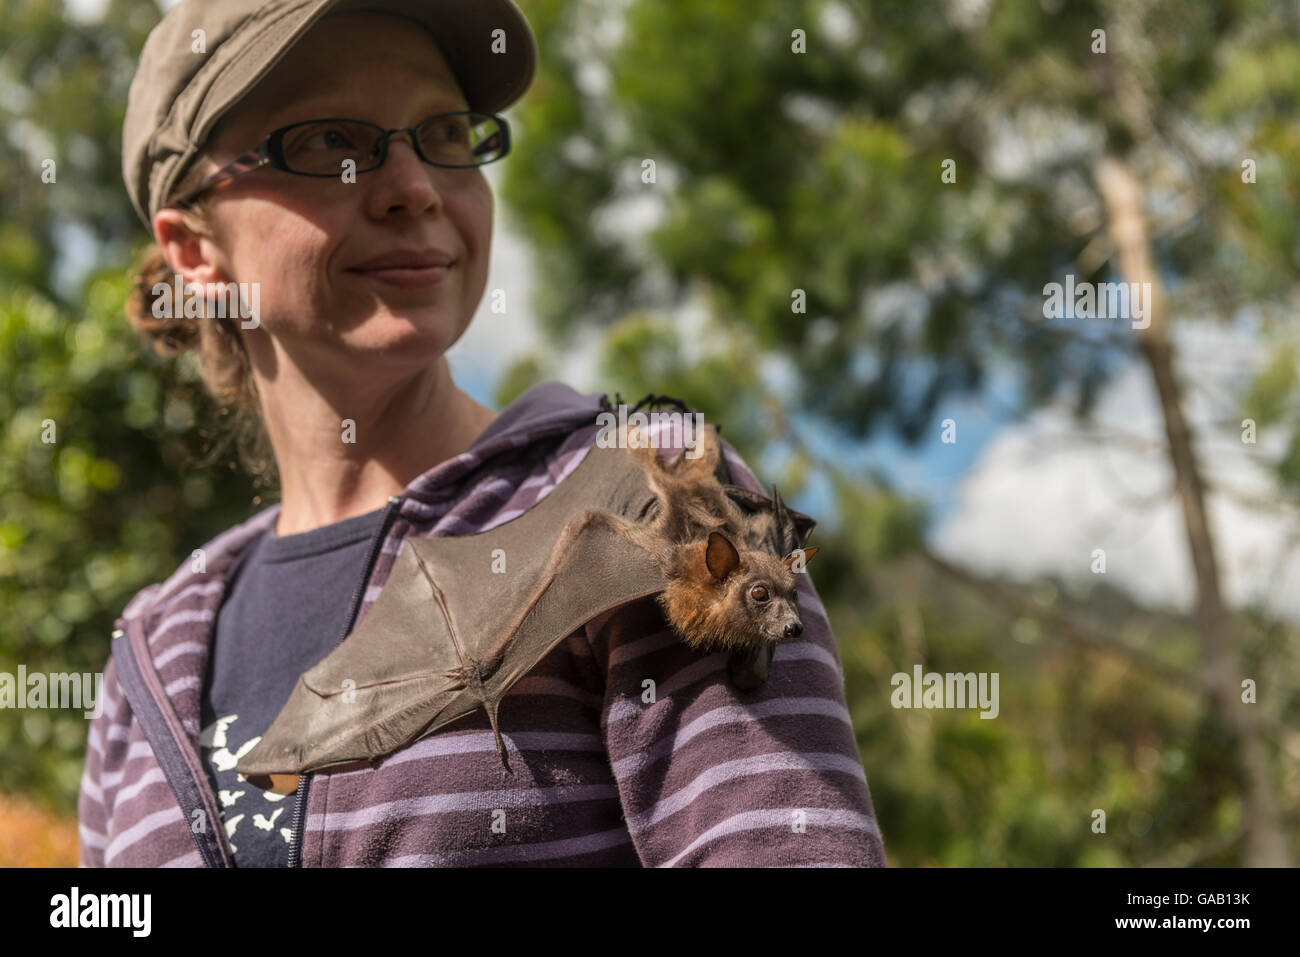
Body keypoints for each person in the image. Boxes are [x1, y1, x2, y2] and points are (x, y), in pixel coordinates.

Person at [77, 0, 887, 867]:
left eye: (447, 133)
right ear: (195, 252)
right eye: (328, 144)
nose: (413, 186)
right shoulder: (151, 650)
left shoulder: (652, 489)